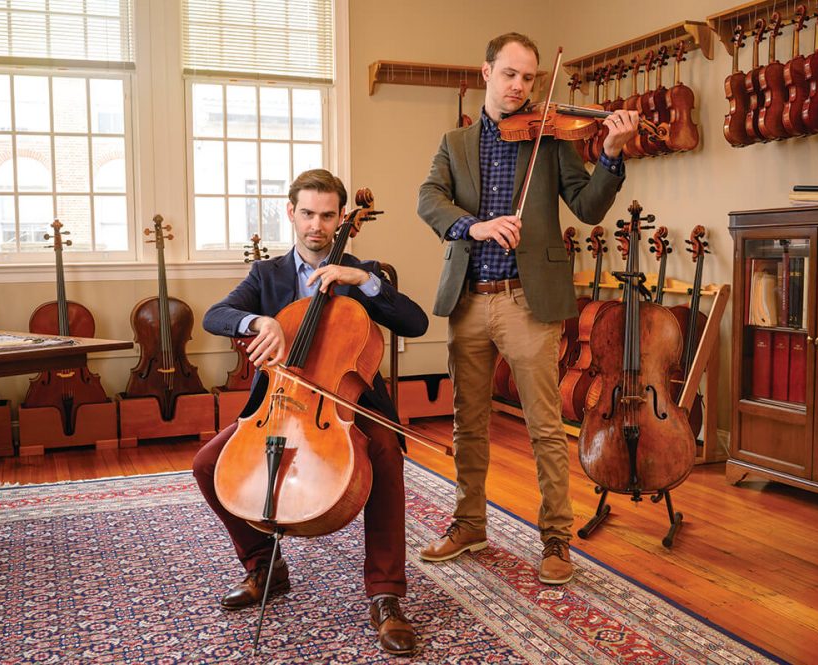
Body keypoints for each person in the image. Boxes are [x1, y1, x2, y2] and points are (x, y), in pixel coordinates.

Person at [416, 33, 639, 585]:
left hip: (527, 298)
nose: (520, 86)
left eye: (529, 78)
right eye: (510, 74)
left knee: (545, 426)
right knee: (468, 423)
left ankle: (556, 539)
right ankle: (469, 525)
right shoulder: (455, 142)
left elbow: (588, 207)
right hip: (469, 298)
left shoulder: (552, 139)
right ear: (486, 72)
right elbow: (429, 199)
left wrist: (611, 155)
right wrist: (476, 226)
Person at [195, 169, 428, 655]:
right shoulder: (267, 275)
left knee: (386, 455)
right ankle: (265, 566)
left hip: (348, 404)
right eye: (307, 214)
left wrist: (364, 280)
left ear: (342, 218)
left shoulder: (362, 272)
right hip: (279, 403)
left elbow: (415, 322)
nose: (316, 225)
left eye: (326, 215)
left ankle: (385, 595)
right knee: (207, 465)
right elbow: (216, 315)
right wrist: (258, 322)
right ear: (291, 213)